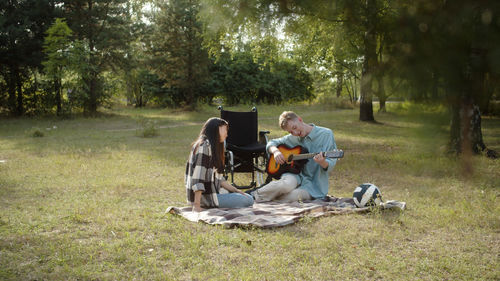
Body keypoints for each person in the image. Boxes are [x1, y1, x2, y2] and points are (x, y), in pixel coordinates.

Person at [248, 111, 337, 202]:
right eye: (290, 131)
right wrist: (276, 152)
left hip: (313, 186)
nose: (295, 132)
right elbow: (272, 143)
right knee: (284, 185)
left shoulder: (326, 134)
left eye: (294, 127)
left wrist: (322, 162)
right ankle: (251, 196)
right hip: (294, 174)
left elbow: (331, 164)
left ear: (300, 120)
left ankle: (264, 193)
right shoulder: (292, 138)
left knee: (289, 197)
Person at [185, 117, 254, 212]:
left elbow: (219, 179)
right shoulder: (204, 146)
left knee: (246, 196)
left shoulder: (210, 146)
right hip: (206, 198)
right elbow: (198, 178)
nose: (227, 134)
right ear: (216, 129)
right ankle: (203, 204)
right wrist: (196, 205)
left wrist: (235, 190)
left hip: (212, 193)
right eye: (225, 129)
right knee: (249, 200)